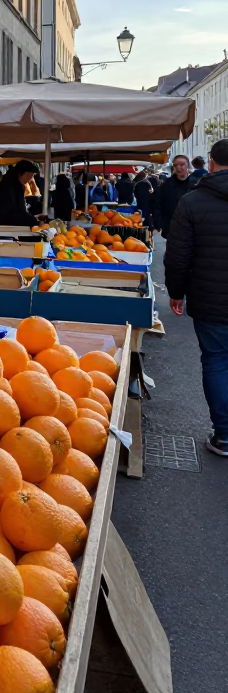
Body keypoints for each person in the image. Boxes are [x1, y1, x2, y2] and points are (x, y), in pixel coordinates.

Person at [164, 139, 228, 456]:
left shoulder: (192, 202)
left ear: (211, 163)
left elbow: (177, 256)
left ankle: (225, 435)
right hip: (212, 297)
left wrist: (176, 292)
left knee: (216, 361)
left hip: (210, 298)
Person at [0, 159, 42, 227]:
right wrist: (33, 221)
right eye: (29, 176)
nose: (29, 179)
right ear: (21, 173)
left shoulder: (16, 183)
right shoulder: (8, 185)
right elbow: (14, 211)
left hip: (11, 222)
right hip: (7, 225)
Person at [155, 154, 192, 234]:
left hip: (190, 228)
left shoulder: (195, 184)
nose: (178, 167)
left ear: (187, 165)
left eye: (182, 164)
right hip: (171, 227)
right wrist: (159, 224)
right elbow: (158, 204)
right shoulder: (166, 185)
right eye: (176, 165)